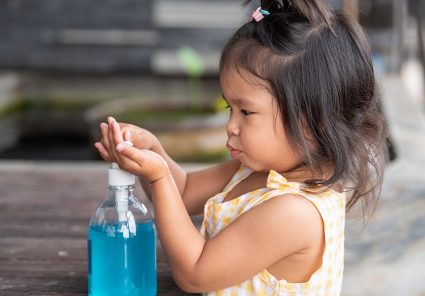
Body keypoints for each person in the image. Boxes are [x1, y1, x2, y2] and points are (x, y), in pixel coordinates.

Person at [94, 0, 387, 294]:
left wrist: (158, 178)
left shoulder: (295, 213)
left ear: (313, 123)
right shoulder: (255, 169)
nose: (230, 125)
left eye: (245, 112)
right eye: (228, 107)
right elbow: (181, 194)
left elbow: (195, 273)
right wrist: (152, 152)